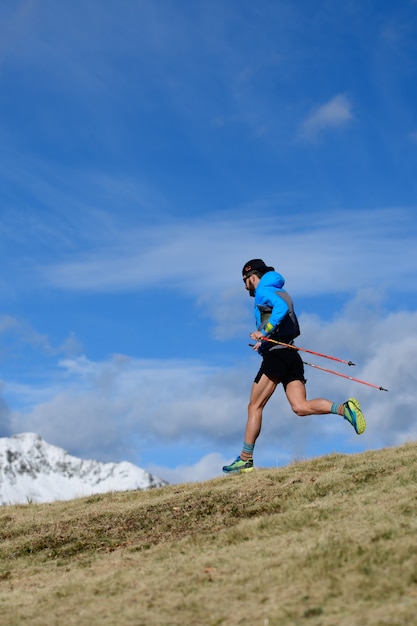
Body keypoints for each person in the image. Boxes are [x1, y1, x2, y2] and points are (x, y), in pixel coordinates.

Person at [222, 259, 366, 474]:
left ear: (253, 276)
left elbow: (281, 310)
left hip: (277, 357)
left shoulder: (264, 291)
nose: (245, 287)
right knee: (300, 406)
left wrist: (264, 331)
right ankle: (346, 409)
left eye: (245, 281)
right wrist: (264, 342)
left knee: (254, 406)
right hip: (290, 353)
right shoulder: (281, 290)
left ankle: (245, 459)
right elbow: (283, 320)